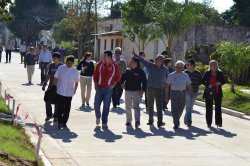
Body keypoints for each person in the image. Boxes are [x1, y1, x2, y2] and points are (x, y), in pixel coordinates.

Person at [133, 49, 169, 127]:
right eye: (156, 59)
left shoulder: (165, 69)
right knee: (150, 105)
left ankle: (160, 122)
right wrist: (135, 54)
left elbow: (167, 79)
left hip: (159, 89)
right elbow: (142, 60)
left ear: (162, 61)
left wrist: (164, 86)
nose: (156, 60)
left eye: (158, 59)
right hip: (150, 88)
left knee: (159, 106)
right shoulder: (151, 65)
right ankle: (150, 120)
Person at [93, 51, 120, 129]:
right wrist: (95, 85)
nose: (103, 57)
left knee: (106, 106)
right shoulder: (99, 64)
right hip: (99, 87)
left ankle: (104, 122)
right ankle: (98, 116)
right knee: (96, 104)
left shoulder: (115, 66)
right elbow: (95, 76)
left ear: (109, 57)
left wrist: (113, 86)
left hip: (108, 89)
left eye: (104, 56)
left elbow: (117, 77)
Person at [53, 55, 80, 129]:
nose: (69, 64)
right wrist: (53, 85)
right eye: (68, 62)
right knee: (59, 108)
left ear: (73, 63)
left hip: (69, 93)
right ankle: (60, 122)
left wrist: (75, 90)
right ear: (66, 61)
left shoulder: (75, 71)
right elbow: (56, 77)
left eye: (71, 63)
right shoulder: (60, 68)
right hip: (60, 91)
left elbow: (77, 82)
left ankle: (64, 122)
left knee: (67, 109)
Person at [165, 61, 192, 129]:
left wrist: (191, 93)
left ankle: (176, 119)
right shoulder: (171, 75)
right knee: (174, 108)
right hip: (174, 93)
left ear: (183, 68)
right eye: (177, 67)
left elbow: (189, 85)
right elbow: (167, 86)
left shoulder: (185, 75)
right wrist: (166, 96)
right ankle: (176, 122)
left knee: (181, 107)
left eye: (180, 67)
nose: (179, 68)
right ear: (175, 67)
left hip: (183, 93)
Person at [120, 57, 147, 128]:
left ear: (136, 63)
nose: (130, 62)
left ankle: (137, 121)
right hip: (128, 91)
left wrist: (143, 90)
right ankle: (128, 121)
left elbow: (145, 82)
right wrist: (122, 83)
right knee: (128, 107)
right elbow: (122, 78)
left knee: (136, 107)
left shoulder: (141, 72)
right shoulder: (127, 71)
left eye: (132, 61)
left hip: (137, 92)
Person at [202, 60, 225, 128]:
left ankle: (219, 122)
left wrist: (219, 83)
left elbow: (223, 81)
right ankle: (209, 123)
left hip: (218, 92)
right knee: (209, 108)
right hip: (209, 92)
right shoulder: (207, 73)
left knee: (218, 108)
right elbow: (202, 81)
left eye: (215, 65)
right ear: (210, 66)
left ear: (217, 65)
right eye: (212, 65)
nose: (214, 66)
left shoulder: (220, 73)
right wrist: (207, 84)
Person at [42, 52, 63, 122]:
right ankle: (49, 115)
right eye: (53, 58)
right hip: (51, 86)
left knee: (57, 102)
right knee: (47, 100)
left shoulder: (62, 66)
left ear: (58, 59)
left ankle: (56, 116)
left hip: (58, 87)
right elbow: (48, 75)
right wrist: (45, 83)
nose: (53, 59)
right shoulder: (51, 65)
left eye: (55, 58)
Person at [184, 59, 202, 127]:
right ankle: (189, 121)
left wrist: (196, 85)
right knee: (188, 106)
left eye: (188, 64)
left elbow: (201, 81)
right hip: (187, 92)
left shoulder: (198, 73)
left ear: (193, 65)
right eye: (186, 64)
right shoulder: (184, 73)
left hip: (195, 92)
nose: (187, 65)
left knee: (191, 107)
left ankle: (186, 119)